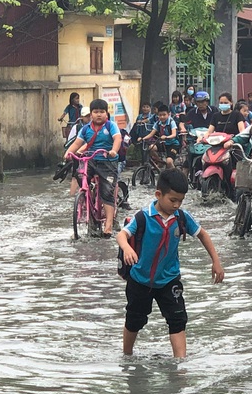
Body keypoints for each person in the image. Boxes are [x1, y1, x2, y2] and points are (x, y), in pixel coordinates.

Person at [118, 168, 224, 357]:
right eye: (172, 200)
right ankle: (127, 355)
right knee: (135, 319)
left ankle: (180, 364)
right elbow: (122, 235)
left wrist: (216, 261)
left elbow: (203, 235)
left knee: (177, 319)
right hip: (140, 280)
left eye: (180, 201)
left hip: (169, 279)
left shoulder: (181, 218)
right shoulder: (143, 217)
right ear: (158, 194)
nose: (177, 205)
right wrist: (127, 248)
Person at [64, 98, 122, 237]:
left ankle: (108, 224)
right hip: (91, 160)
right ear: (91, 114)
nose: (99, 114)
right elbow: (77, 143)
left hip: (107, 162)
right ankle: (85, 197)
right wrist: (68, 153)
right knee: (79, 175)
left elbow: (117, 139)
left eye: (102, 112)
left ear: (106, 114)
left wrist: (113, 150)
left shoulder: (111, 126)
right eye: (96, 112)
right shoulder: (86, 129)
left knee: (107, 192)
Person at [63, 106, 91, 196]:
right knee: (75, 175)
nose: (89, 118)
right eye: (86, 116)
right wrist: (70, 153)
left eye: (89, 115)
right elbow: (71, 141)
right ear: (82, 117)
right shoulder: (77, 127)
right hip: (78, 155)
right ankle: (72, 196)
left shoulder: (94, 127)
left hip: (91, 155)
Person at [142, 105, 178, 169]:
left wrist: (166, 137)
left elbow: (174, 134)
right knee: (151, 148)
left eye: (164, 115)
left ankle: (174, 175)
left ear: (168, 114)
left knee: (169, 162)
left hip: (173, 144)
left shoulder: (171, 122)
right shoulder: (158, 123)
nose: (162, 117)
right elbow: (151, 134)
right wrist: (142, 138)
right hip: (163, 143)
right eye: (160, 115)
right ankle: (160, 162)